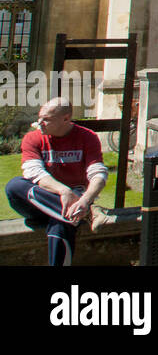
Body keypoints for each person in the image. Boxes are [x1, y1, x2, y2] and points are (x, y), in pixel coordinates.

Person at [4, 98, 109, 265]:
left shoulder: (87, 137)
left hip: (74, 206)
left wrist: (86, 198)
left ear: (66, 119)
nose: (40, 123)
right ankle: (89, 213)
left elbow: (98, 174)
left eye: (46, 119)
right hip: (42, 203)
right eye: (40, 117)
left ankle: (74, 212)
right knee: (15, 186)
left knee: (60, 223)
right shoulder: (33, 138)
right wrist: (64, 191)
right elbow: (34, 173)